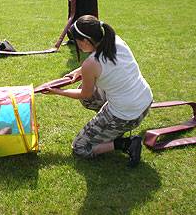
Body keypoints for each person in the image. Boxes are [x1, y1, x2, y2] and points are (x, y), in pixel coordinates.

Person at [43, 15, 153, 167]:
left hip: (126, 115)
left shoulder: (91, 63)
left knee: (80, 147)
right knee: (87, 95)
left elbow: (85, 93)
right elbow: (94, 83)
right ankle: (110, 130)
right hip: (144, 101)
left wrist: (58, 92)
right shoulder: (115, 40)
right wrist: (78, 71)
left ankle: (126, 143)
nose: (78, 46)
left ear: (86, 41)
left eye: (78, 42)